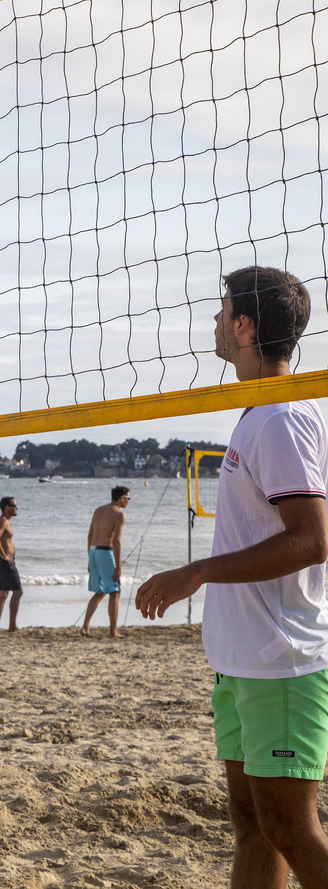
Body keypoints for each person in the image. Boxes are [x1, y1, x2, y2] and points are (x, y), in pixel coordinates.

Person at [136, 266, 328, 887]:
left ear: (245, 326)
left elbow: (312, 539)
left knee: (290, 829)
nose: (216, 321)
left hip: (282, 661)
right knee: (253, 826)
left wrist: (197, 572)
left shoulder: (281, 417)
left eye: (223, 311)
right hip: (244, 658)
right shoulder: (258, 411)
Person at [82, 486, 129, 637]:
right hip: (105, 552)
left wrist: (89, 559)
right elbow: (116, 541)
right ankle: (113, 631)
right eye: (127, 498)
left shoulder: (98, 510)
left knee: (100, 591)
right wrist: (119, 566)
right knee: (114, 592)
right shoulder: (119, 515)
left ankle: (85, 626)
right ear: (121, 498)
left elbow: (90, 535)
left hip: (93, 551)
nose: (128, 501)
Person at [0, 497, 21, 632]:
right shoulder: (3, 521)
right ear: (7, 507)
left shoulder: (4, 521)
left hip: (2, 560)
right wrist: (4, 555)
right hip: (3, 561)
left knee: (3, 594)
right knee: (18, 592)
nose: (17, 508)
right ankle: (12, 626)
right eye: (14, 505)